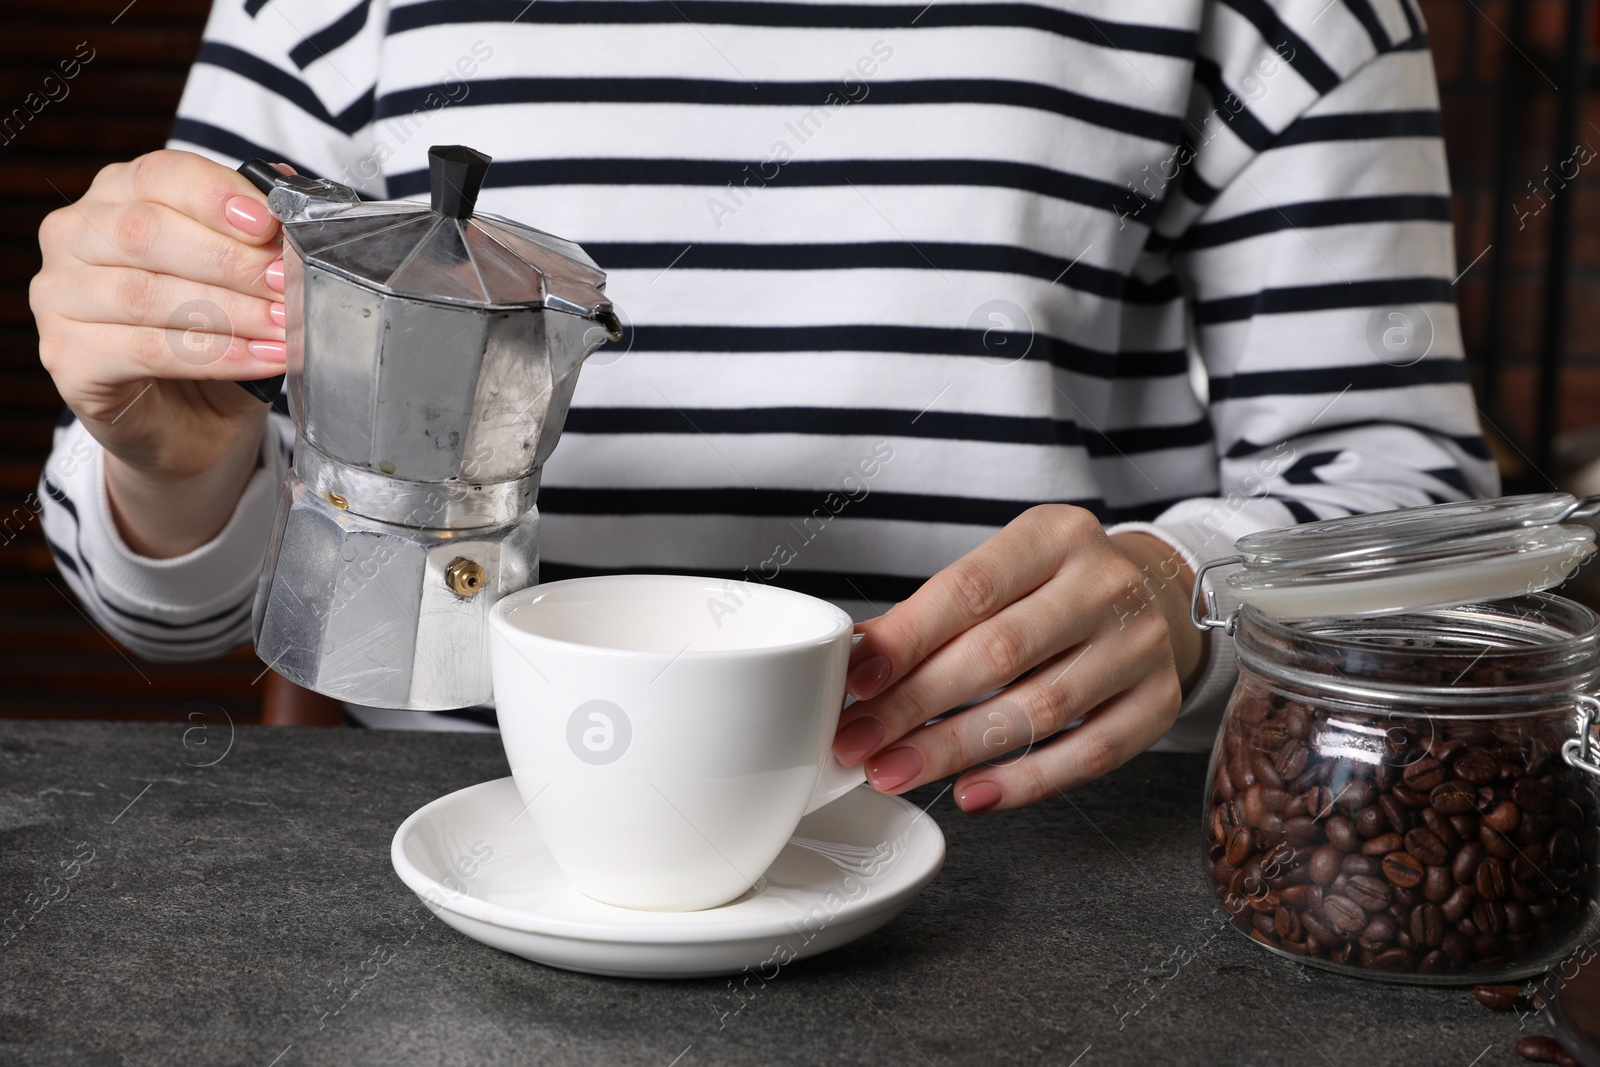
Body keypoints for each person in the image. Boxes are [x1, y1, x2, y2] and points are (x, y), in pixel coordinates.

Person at [31, 0, 1495, 814]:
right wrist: (179, 460)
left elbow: (1428, 518)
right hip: (448, 824)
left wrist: (1198, 593)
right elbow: (164, 606)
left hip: (1035, 839)